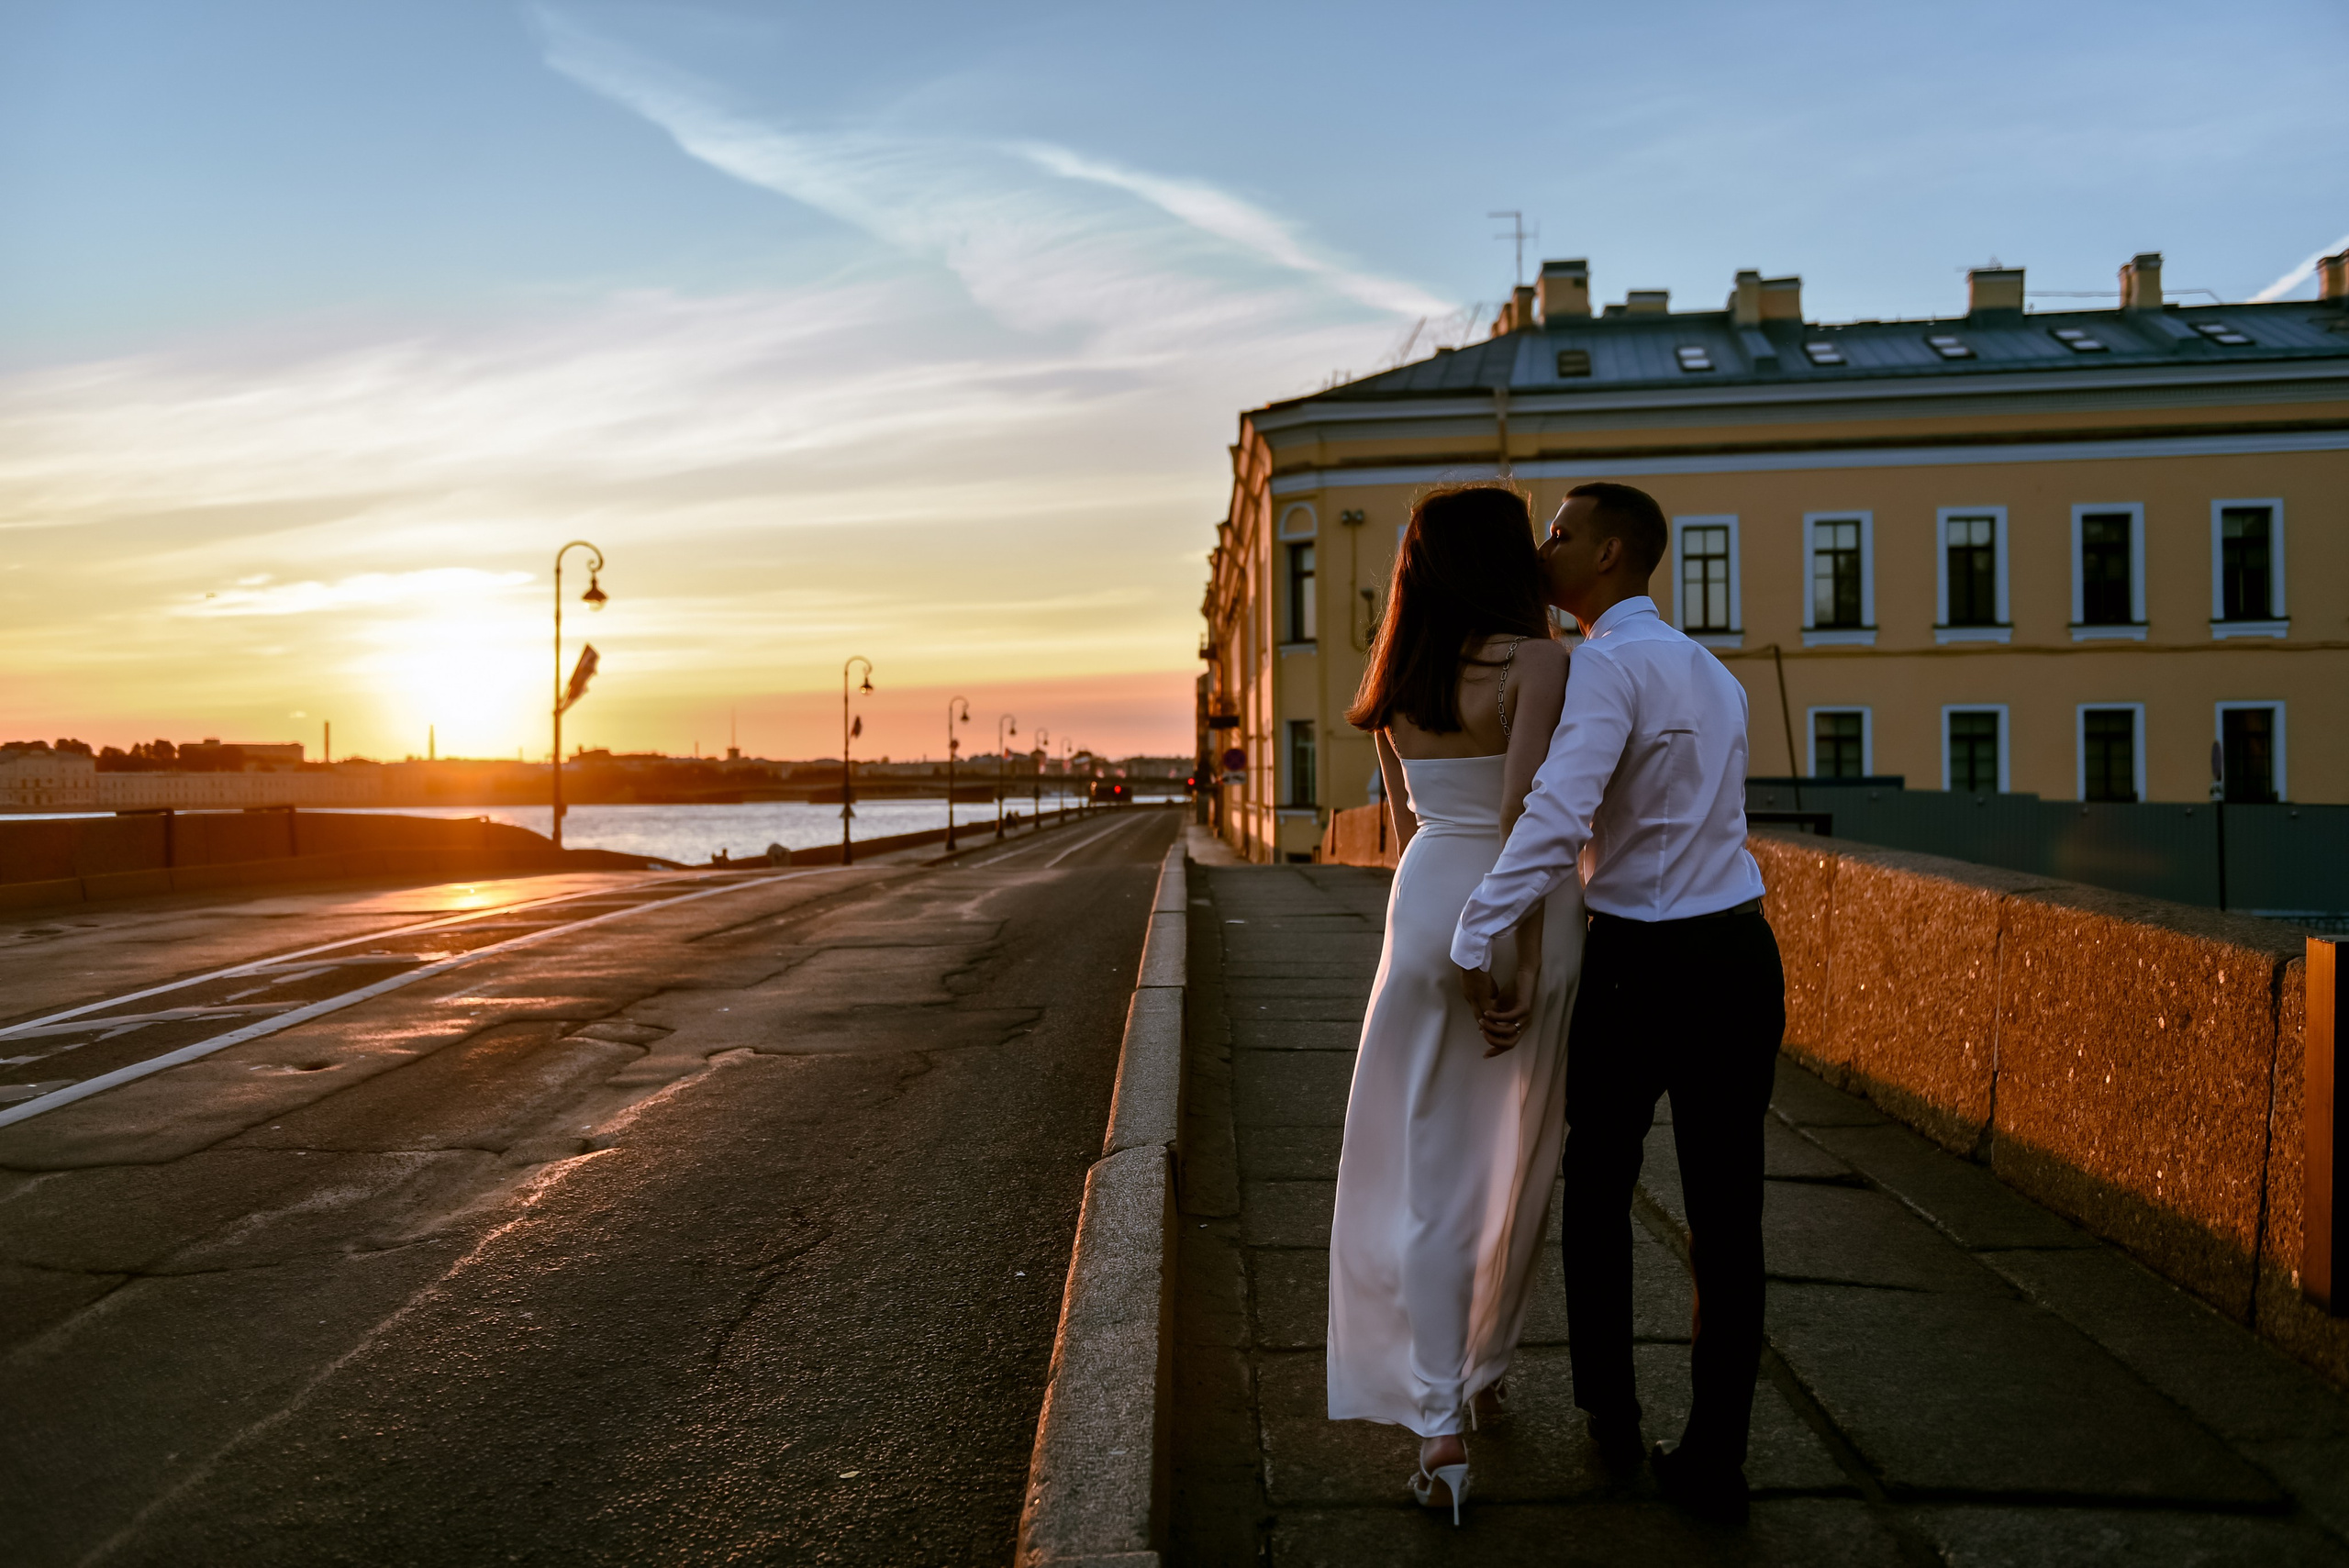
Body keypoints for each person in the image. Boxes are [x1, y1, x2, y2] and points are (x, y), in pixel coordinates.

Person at [1453, 482, 1784, 1526]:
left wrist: (1474, 924)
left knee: (1597, 1186)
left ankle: (1609, 1411)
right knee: (1728, 1217)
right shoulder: (1712, 673)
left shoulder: (1602, 664)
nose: (1544, 549)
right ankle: (1716, 1460)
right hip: (1738, 954)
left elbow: (1559, 813)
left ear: (1605, 554)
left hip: (1640, 959)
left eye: (1558, 534)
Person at [1325, 484, 1579, 1526]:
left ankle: (1440, 1416)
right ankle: (1474, 1370)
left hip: (1421, 899)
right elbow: (1521, 814)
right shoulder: (1536, 661)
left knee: (1422, 1166)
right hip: (1514, 908)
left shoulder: (1394, 675)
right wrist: (1506, 957)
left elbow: (1401, 825)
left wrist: (1439, 935)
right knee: (1514, 1158)